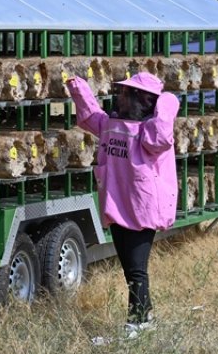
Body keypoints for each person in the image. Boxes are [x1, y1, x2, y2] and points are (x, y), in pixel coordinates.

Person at [67, 72, 180, 336]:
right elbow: (88, 115)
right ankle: (145, 318)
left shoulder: (150, 132)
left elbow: (161, 136)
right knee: (132, 270)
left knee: (136, 271)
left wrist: (165, 99)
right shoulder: (110, 124)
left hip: (142, 210)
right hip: (117, 207)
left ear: (141, 98)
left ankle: (137, 322)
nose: (120, 97)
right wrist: (76, 84)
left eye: (126, 93)